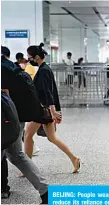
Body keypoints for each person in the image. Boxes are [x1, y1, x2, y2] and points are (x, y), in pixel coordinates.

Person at [1, 46, 48, 204]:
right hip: (15, 117)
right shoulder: (9, 66)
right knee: (17, 156)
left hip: (6, 119)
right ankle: (45, 191)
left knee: (15, 156)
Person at [24, 43, 81, 173]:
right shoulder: (45, 69)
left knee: (28, 135)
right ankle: (74, 158)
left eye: (30, 57)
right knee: (51, 138)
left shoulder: (43, 71)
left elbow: (48, 92)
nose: (29, 60)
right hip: (45, 110)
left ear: (37, 57)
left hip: (42, 110)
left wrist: (53, 111)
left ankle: (26, 168)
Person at [15, 52, 41, 156]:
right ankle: (32, 149)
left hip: (29, 104)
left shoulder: (27, 69)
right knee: (25, 132)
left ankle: (31, 149)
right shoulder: (27, 69)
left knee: (25, 132)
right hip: (30, 103)